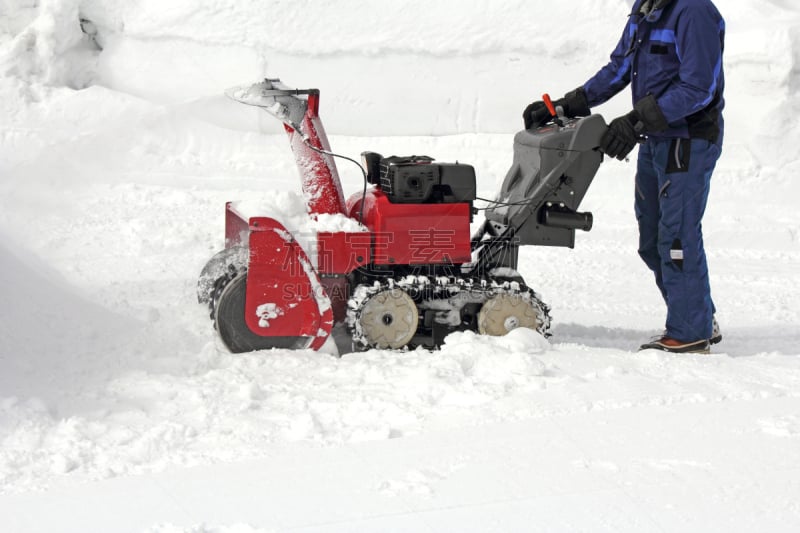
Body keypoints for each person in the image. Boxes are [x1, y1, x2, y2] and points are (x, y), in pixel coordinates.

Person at [523, 0, 725, 354]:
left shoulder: (694, 11)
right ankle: (697, 314)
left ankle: (691, 331)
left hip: (687, 140)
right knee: (651, 238)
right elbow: (621, 67)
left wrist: (634, 123)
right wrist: (566, 105)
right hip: (655, 137)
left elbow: (698, 88)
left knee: (676, 237)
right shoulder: (646, 8)